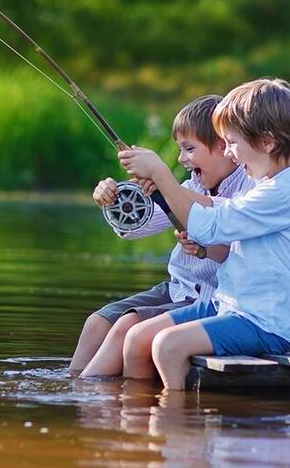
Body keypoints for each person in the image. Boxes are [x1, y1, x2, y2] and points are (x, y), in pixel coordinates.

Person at [119, 77, 290, 390]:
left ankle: (178, 428)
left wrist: (160, 173)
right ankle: (136, 421)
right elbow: (215, 207)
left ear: (267, 142)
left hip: (265, 321)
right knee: (136, 338)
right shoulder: (266, 185)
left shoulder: (282, 192)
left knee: (167, 346)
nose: (230, 155)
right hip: (230, 305)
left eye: (233, 144)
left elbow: (210, 227)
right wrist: (164, 188)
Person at [70, 95, 254, 377]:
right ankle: (72, 386)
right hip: (177, 289)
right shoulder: (192, 184)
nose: (182, 158)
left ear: (222, 146)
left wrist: (164, 181)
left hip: (210, 299)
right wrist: (114, 199)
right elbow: (138, 227)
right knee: (97, 322)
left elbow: (225, 215)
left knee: (125, 327)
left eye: (189, 149)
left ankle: (88, 399)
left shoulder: (250, 187)